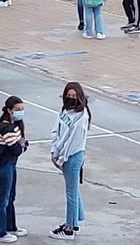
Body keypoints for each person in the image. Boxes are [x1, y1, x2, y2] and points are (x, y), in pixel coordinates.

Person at [49, 82, 91, 240]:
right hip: (63, 154)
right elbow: (57, 130)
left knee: (71, 193)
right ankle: (78, 219)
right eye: (69, 95)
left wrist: (59, 157)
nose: (71, 98)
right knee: (74, 190)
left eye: (74, 96)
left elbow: (71, 142)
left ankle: (69, 228)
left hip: (72, 156)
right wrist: (54, 148)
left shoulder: (81, 118)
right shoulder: (65, 111)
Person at [0, 96, 28, 243]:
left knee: (10, 197)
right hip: (4, 167)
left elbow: (20, 145)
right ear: (9, 110)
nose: (20, 112)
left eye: (22, 109)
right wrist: (23, 145)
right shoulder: (6, 129)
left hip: (11, 165)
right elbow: (17, 149)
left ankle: (10, 225)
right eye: (18, 110)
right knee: (3, 199)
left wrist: (21, 145)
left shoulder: (15, 126)